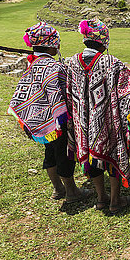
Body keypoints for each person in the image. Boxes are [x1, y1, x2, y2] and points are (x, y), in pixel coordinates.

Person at [8, 22, 90, 204]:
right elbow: (61, 93)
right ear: (51, 45)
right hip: (57, 122)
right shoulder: (53, 67)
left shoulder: (33, 65)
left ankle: (57, 188)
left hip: (42, 120)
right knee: (63, 154)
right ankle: (71, 191)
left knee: (50, 153)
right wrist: (63, 115)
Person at [66, 19, 130, 214]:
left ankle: (101, 198)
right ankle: (115, 200)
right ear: (103, 41)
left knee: (92, 157)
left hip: (83, 123)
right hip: (108, 123)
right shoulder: (112, 63)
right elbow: (129, 91)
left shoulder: (71, 62)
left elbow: (69, 93)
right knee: (113, 154)